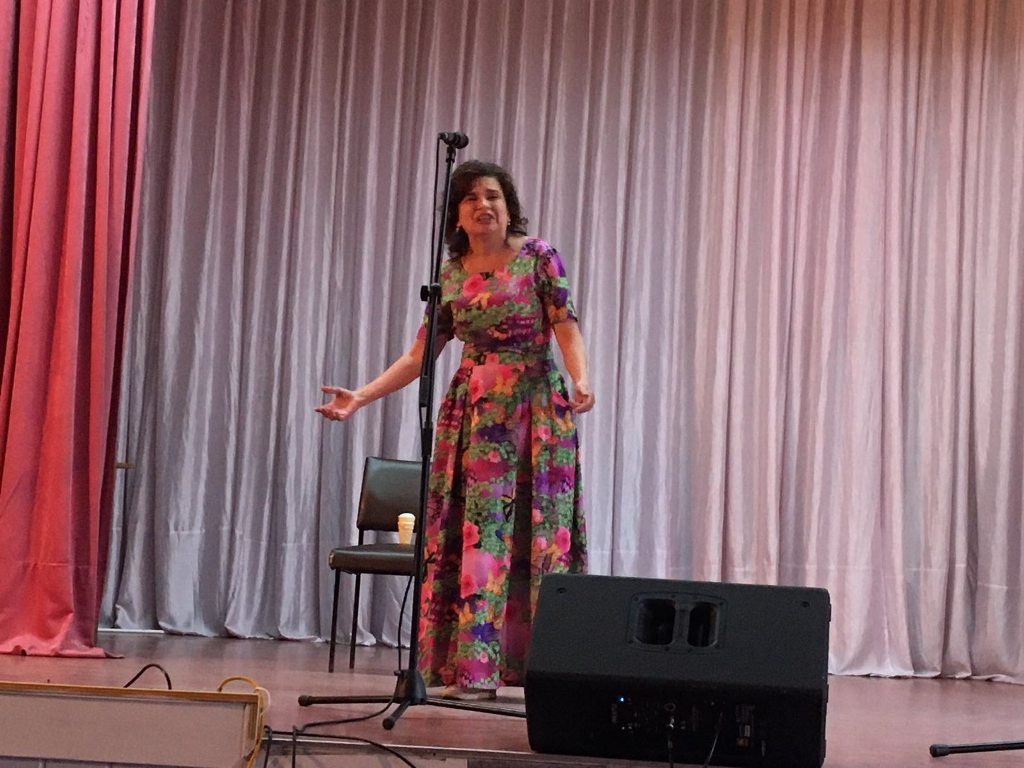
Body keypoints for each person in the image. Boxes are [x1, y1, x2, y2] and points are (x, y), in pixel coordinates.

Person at [316, 160, 593, 700]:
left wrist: (581, 379)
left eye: (492, 195)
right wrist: (361, 397)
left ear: (509, 206)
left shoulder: (539, 257)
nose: (483, 205)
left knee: (540, 538)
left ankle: (547, 669)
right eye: (470, 198)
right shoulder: (449, 275)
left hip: (536, 411)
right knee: (477, 535)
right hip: (474, 417)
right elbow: (419, 355)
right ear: (457, 216)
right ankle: (473, 670)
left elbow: (566, 326)